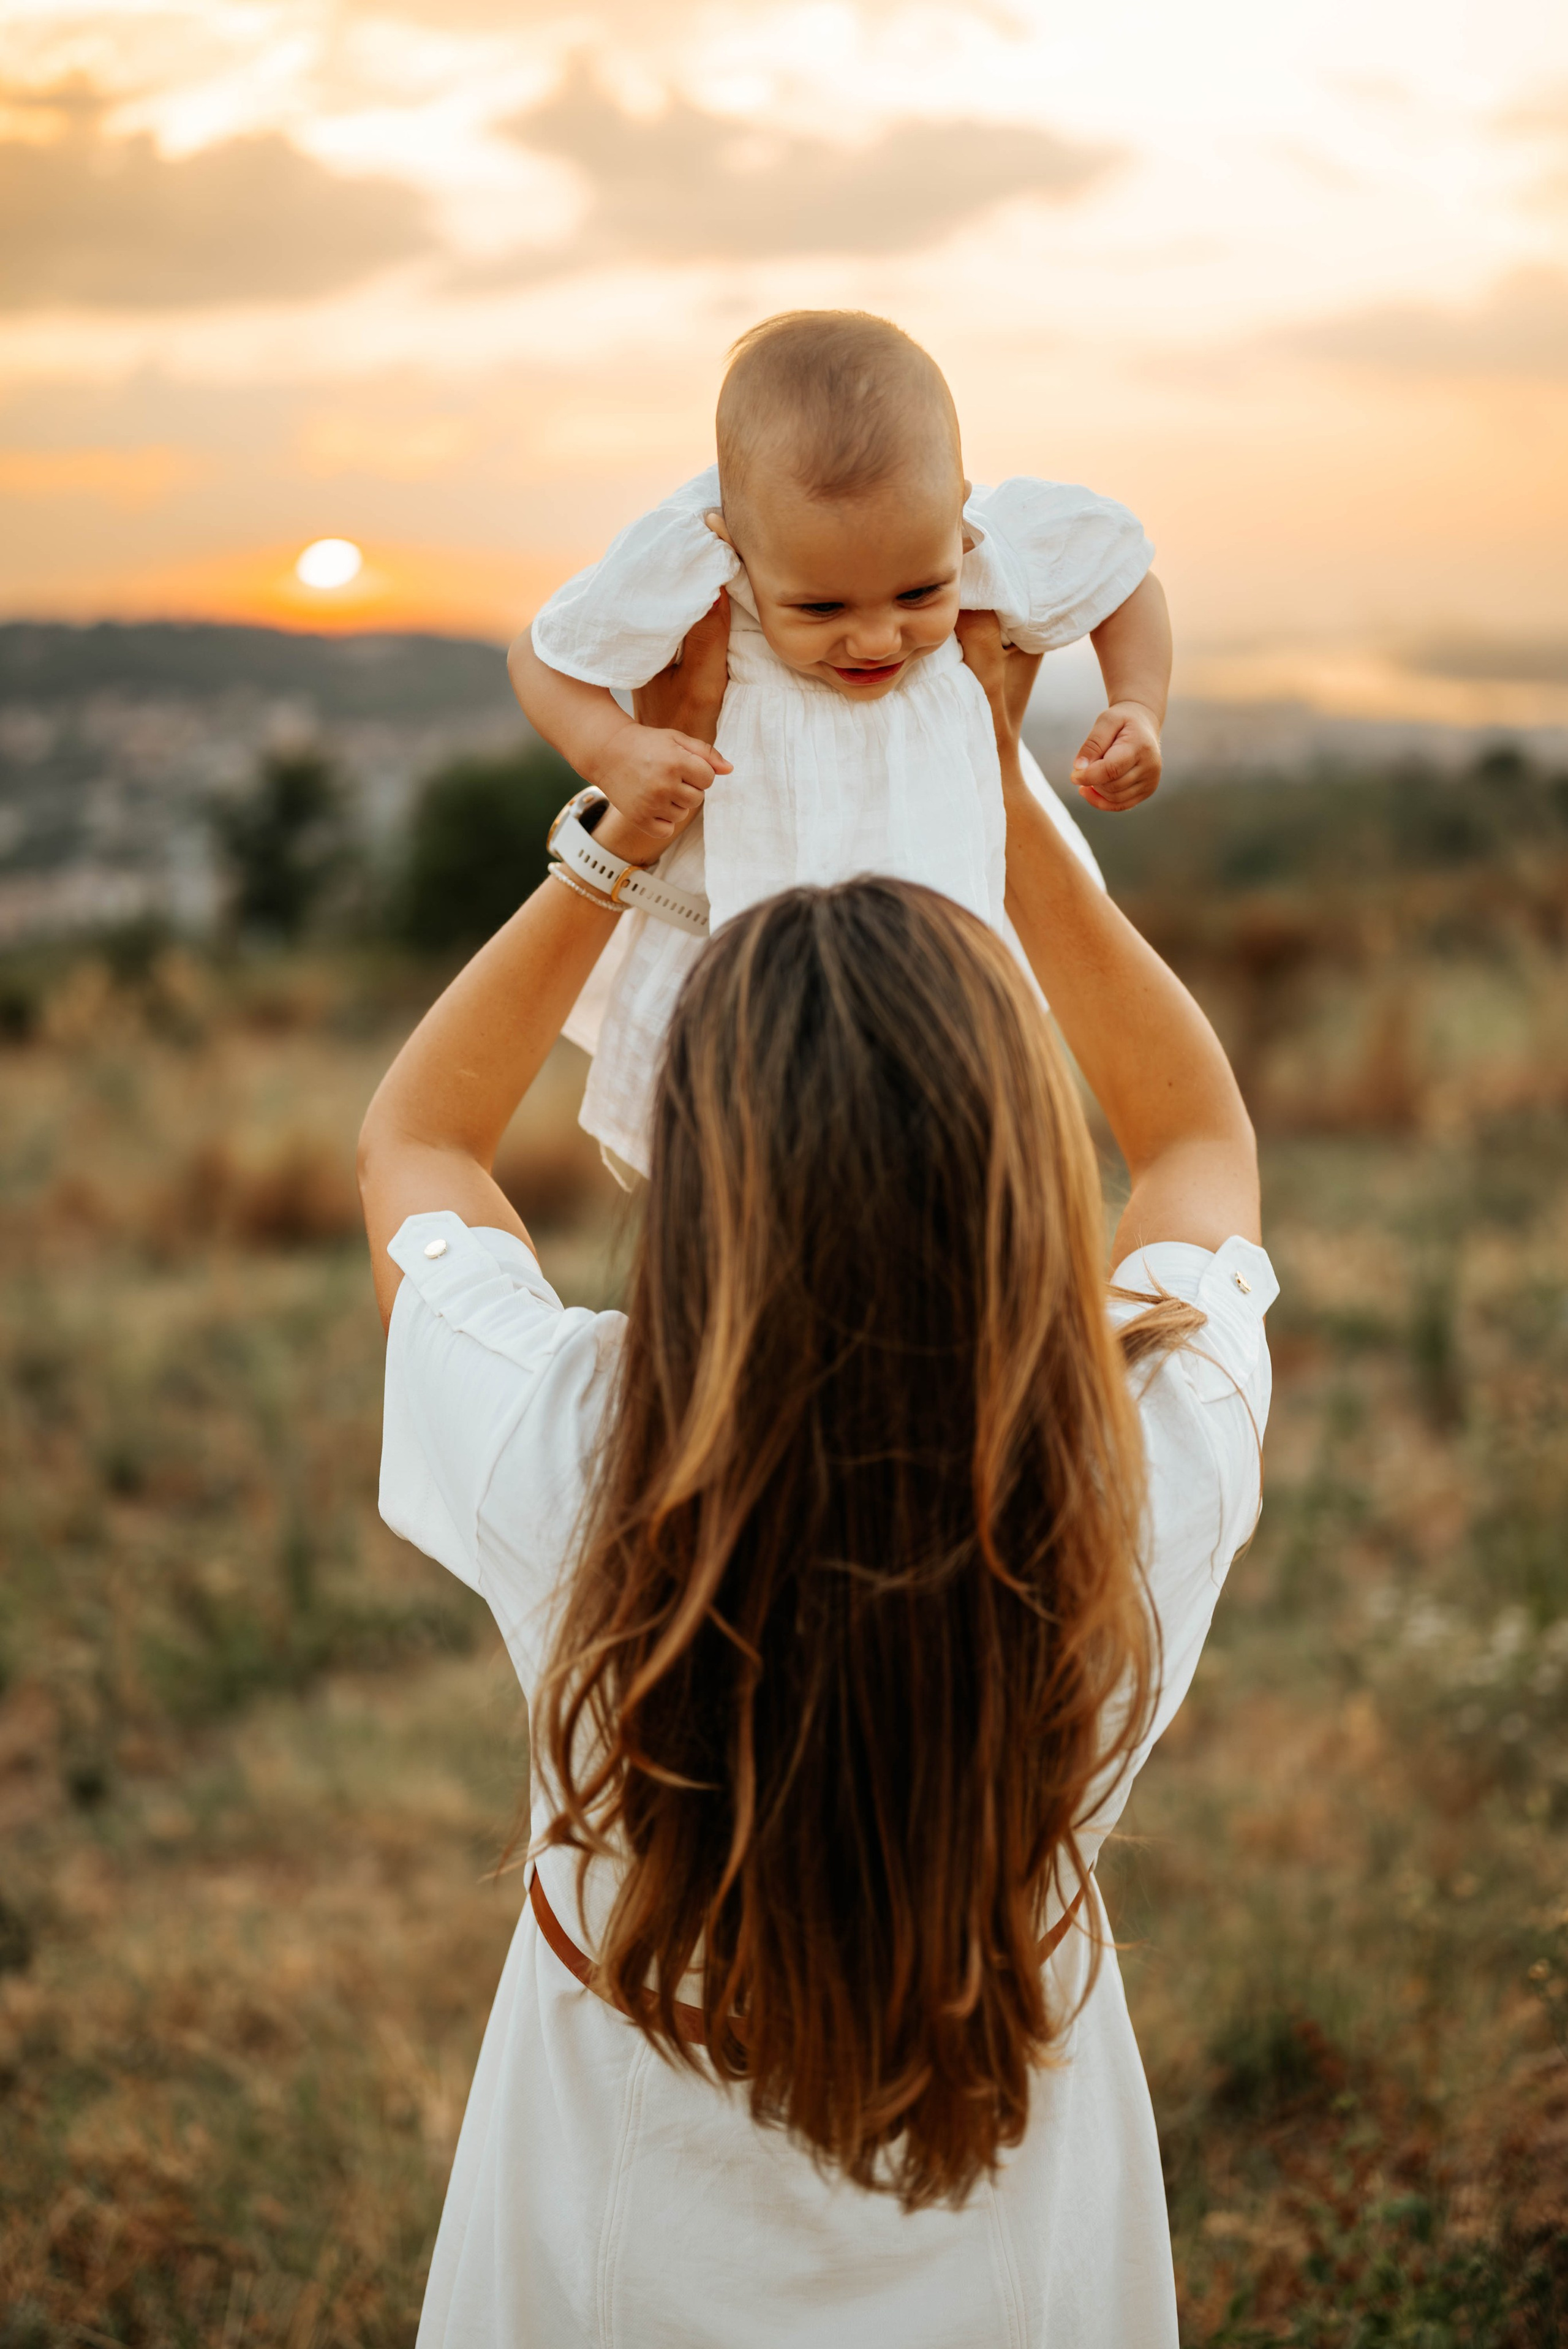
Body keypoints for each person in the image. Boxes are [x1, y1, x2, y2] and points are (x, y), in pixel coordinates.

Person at [357, 602, 1273, 2348]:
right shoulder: (1142, 1465)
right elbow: (1201, 1143)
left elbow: (417, 1140)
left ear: (693, 1184)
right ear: (1023, 1173)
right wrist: (996, 785)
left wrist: (622, 829)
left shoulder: (574, 1446)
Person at [508, 309, 1172, 1173]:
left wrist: (1137, 705)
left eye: (919, 593)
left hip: (947, 922)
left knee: (954, 1144)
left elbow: (1125, 577)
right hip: (737, 945)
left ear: (960, 509)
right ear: (735, 542)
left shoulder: (983, 541)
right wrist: (614, 752)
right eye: (821, 609)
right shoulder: (693, 561)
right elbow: (547, 653)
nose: (876, 640)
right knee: (726, 1162)